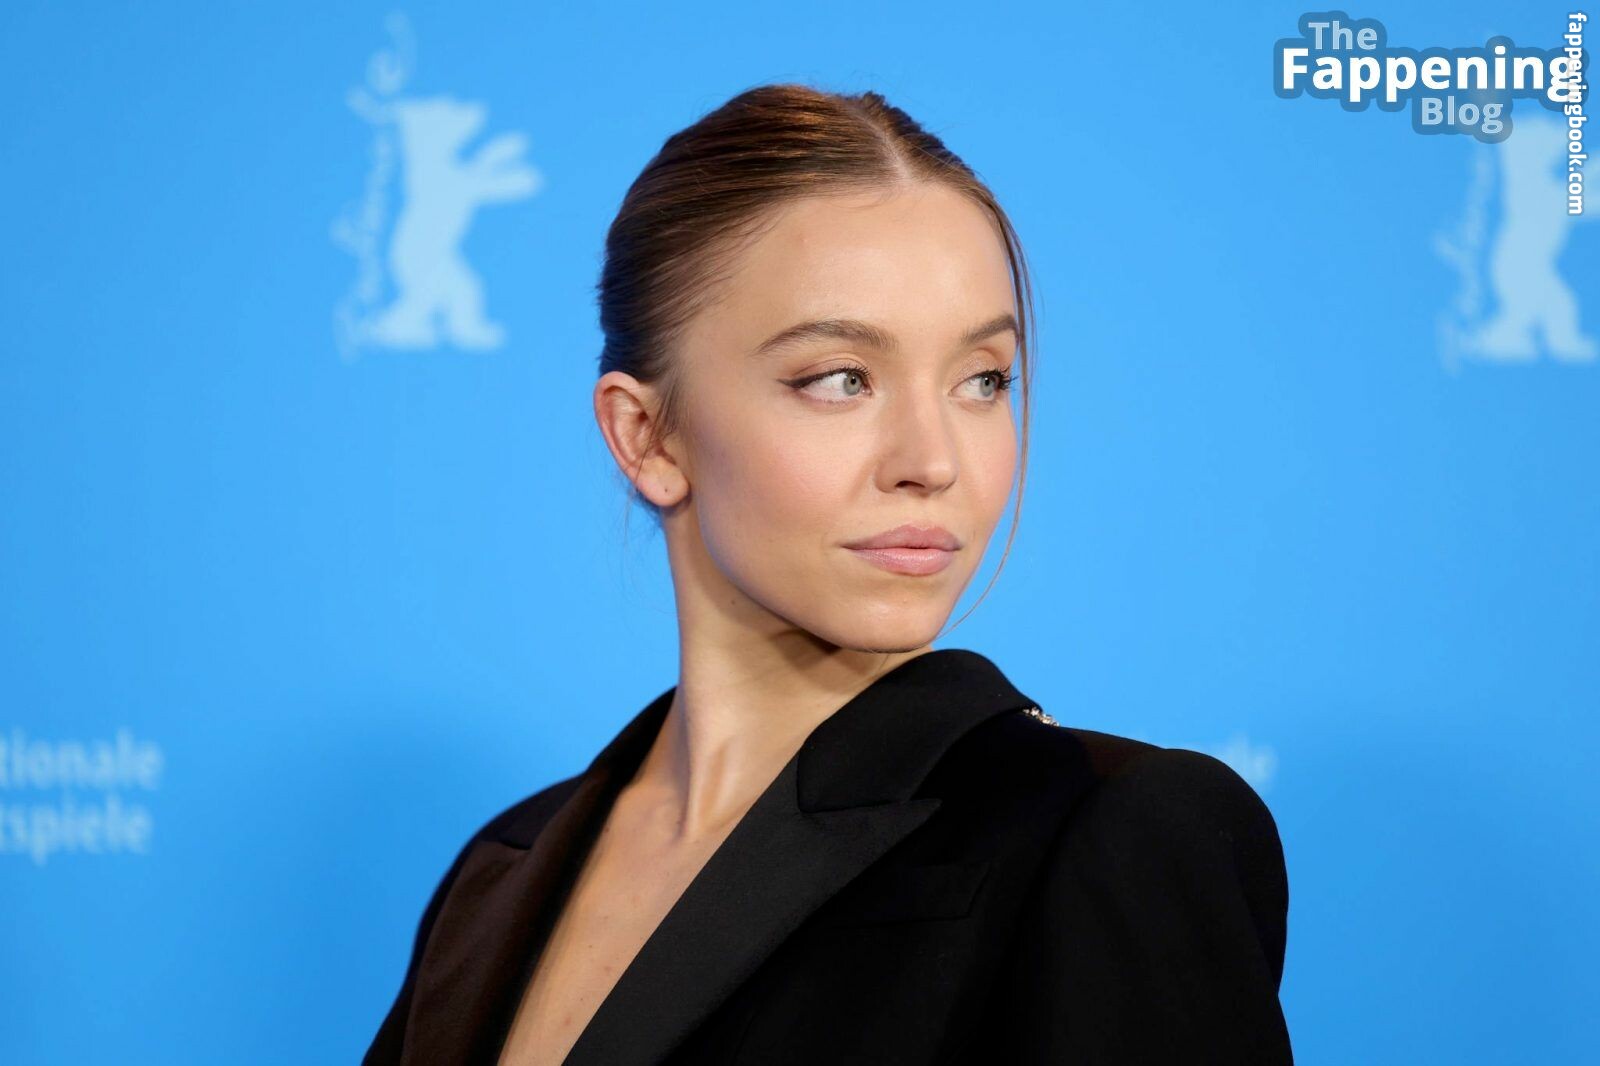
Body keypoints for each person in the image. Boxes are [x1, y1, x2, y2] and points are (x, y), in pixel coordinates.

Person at [362, 83, 1292, 1065]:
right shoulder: (501, 870)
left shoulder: (1104, 832)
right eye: (842, 379)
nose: (931, 459)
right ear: (647, 437)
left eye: (983, 379)